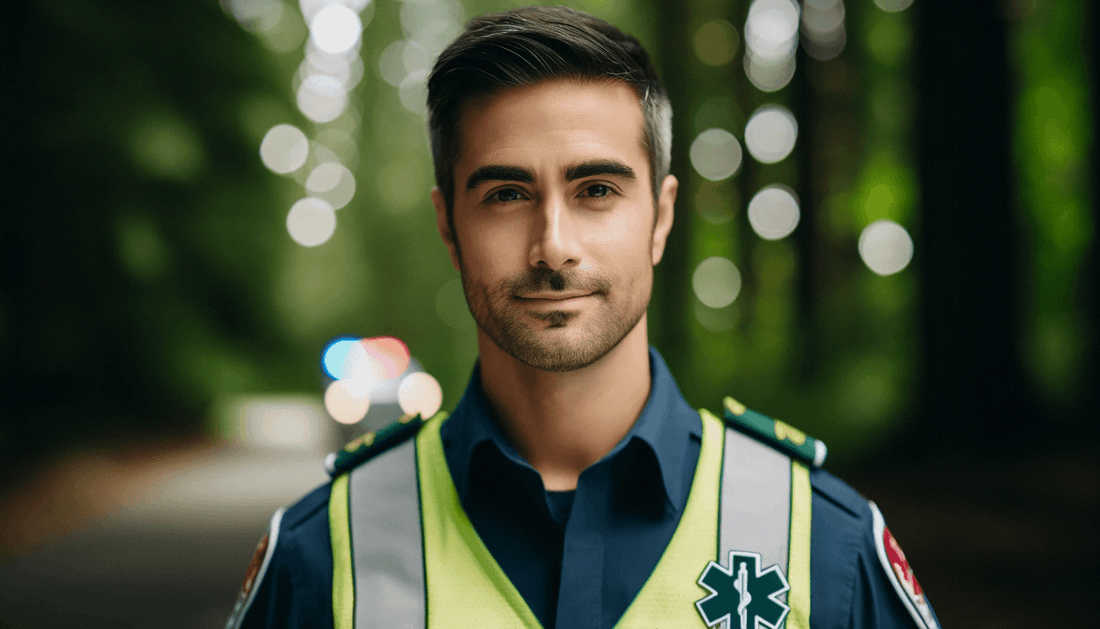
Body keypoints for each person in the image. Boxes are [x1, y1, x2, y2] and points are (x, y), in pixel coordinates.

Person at [226, 6, 940, 629]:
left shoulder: (823, 544)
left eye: (596, 189)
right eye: (507, 195)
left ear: (661, 217)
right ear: (448, 227)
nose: (552, 245)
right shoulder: (321, 556)